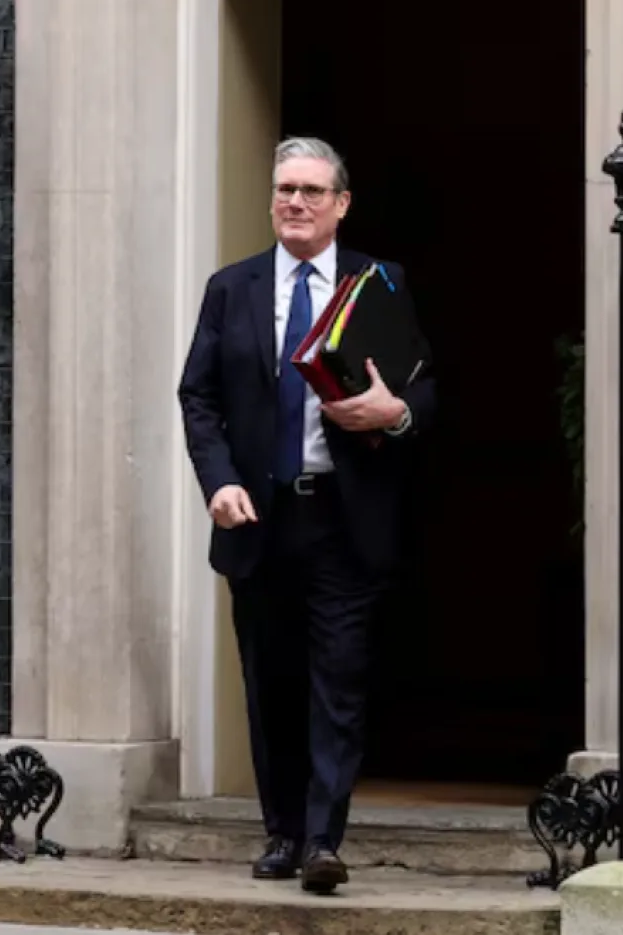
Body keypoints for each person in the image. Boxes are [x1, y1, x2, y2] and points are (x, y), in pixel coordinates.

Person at [176, 137, 437, 894]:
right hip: (257, 519)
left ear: (341, 204)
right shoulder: (232, 287)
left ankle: (324, 840)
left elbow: (423, 387)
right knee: (271, 682)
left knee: (338, 683)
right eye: (285, 188)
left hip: (343, 520)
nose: (295, 201)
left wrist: (393, 414)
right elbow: (199, 396)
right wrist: (218, 482)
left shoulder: (379, 282)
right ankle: (283, 832)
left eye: (312, 191)